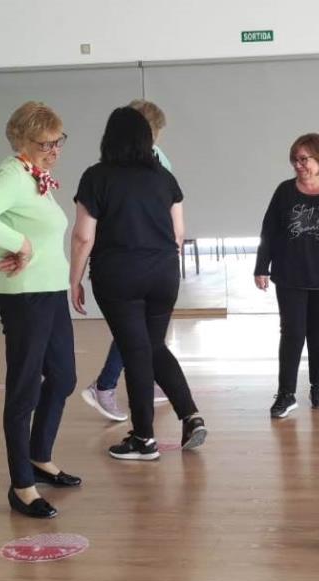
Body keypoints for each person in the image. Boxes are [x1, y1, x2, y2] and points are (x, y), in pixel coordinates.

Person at [0, 101, 81, 519]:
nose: (55, 149)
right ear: (22, 142)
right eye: (46, 143)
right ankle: (21, 486)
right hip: (25, 296)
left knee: (63, 377)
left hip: (50, 292)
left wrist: (23, 242)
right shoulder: (12, 175)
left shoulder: (35, 177)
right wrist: (20, 244)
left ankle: (39, 456)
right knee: (24, 389)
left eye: (58, 141)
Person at [69, 107, 207, 460]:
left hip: (118, 274)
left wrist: (75, 279)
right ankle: (190, 415)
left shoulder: (96, 177)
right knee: (152, 346)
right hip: (162, 272)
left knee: (136, 351)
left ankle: (144, 439)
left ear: (108, 138)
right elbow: (178, 233)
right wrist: (158, 260)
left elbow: (84, 237)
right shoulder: (163, 178)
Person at [254, 133, 319, 418]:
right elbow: (269, 231)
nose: (298, 165)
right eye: (295, 160)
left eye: (304, 159)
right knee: (291, 334)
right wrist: (261, 266)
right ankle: (286, 393)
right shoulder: (285, 192)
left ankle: (318, 387)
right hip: (290, 275)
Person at [81, 99, 172, 421]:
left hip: (149, 263)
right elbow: (86, 232)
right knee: (137, 336)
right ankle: (107, 387)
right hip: (130, 263)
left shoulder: (157, 163)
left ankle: (135, 385)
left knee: (141, 335)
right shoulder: (109, 172)